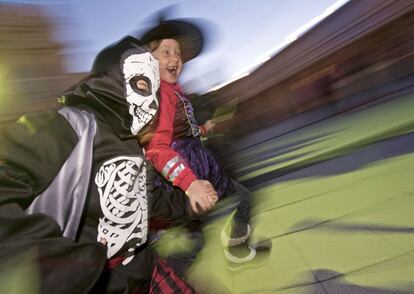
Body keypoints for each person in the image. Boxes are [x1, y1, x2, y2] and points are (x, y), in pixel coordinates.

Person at [0, 32, 206, 293]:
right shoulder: (65, 126)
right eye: (142, 85)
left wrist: (187, 204)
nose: (151, 103)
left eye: (154, 92)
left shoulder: (133, 143)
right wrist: (53, 265)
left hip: (146, 271)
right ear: (113, 78)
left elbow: (147, 199)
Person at [140, 18, 272, 271]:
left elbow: (181, 132)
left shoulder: (174, 90)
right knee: (194, 237)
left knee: (231, 207)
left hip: (194, 171)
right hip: (175, 180)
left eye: (180, 54)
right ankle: (162, 278)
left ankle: (234, 246)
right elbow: (157, 146)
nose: (178, 60)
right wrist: (189, 183)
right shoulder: (157, 93)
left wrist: (205, 128)